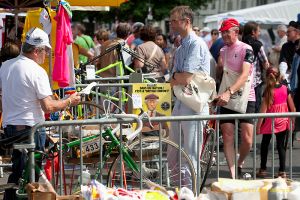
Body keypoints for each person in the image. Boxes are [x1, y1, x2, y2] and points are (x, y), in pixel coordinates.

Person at [0, 27, 81, 199]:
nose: (46, 55)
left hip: (11, 127)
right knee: (29, 179)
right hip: (30, 128)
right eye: (45, 50)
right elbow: (48, 107)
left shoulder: (5, 66)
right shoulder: (36, 71)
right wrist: (69, 101)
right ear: (36, 51)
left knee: (18, 174)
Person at [168, 5, 211, 182]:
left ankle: (190, 193)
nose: (171, 24)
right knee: (174, 153)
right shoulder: (182, 46)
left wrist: (173, 77)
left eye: (174, 21)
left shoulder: (196, 44)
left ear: (186, 22)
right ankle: (180, 191)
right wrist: (174, 77)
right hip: (181, 102)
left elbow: (185, 77)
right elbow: (177, 78)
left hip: (193, 105)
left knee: (190, 155)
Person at [216, 18, 255, 179]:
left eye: (227, 32)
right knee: (227, 135)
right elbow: (221, 71)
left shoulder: (247, 49)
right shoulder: (223, 51)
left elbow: (245, 75)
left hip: (247, 96)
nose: (224, 35)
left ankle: (239, 163)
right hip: (226, 97)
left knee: (247, 139)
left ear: (236, 32)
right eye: (222, 32)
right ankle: (233, 174)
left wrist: (228, 92)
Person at [256, 67, 295, 178]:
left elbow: (262, 111)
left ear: (267, 77)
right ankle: (282, 172)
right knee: (280, 146)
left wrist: (258, 127)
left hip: (270, 120)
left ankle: (263, 169)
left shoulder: (268, 91)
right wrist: (293, 121)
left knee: (265, 144)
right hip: (283, 120)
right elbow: (292, 107)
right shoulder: (285, 88)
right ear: (279, 76)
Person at [242, 21, 270, 113]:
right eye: (258, 31)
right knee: (255, 106)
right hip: (255, 81)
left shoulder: (240, 43)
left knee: (242, 106)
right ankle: (254, 126)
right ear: (253, 32)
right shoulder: (258, 45)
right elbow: (265, 63)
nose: (259, 33)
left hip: (241, 80)